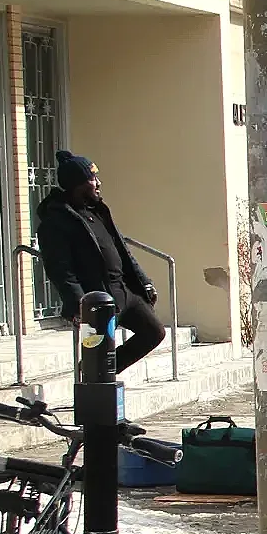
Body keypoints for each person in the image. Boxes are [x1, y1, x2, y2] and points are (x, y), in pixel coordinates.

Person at [35, 152, 164, 372]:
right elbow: (60, 268)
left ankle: (99, 371)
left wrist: (144, 281)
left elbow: (122, 250)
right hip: (96, 299)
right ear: (78, 184)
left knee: (154, 333)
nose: (98, 183)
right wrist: (79, 304)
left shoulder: (98, 211)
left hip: (123, 292)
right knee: (98, 351)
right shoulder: (56, 220)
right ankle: (94, 380)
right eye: (93, 179)